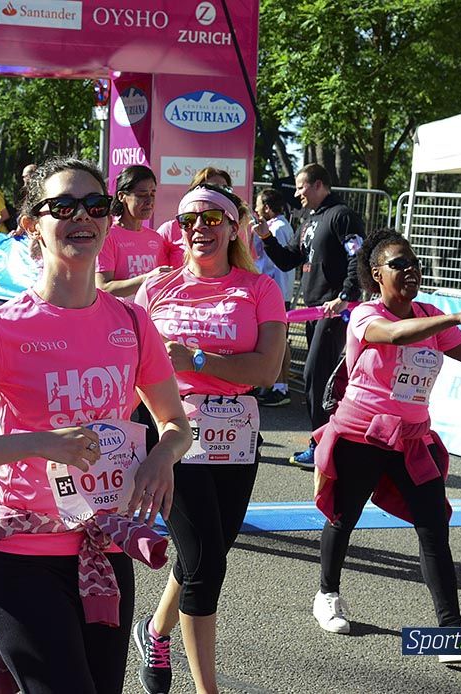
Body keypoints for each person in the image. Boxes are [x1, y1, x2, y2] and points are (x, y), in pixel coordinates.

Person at [0, 157, 191, 694]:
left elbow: (176, 424)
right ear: (31, 224)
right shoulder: (1, 330)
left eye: (94, 205)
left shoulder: (131, 322)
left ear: (108, 219)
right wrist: (37, 443)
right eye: (62, 206)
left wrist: (161, 456)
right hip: (21, 555)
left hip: (105, 548)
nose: (81, 216)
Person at [310, 229, 461, 661]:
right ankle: (327, 594)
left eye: (414, 262)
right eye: (399, 264)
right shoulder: (366, 316)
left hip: (410, 439)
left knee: (433, 527)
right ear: (376, 274)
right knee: (343, 516)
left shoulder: (428, 314)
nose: (411, 269)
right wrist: (458, 317)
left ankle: (450, 632)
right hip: (362, 434)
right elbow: (398, 334)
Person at [132, 186, 287, 694]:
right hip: (174, 433)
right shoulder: (156, 290)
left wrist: (196, 360)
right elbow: (128, 365)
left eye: (212, 218)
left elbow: (266, 368)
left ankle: (155, 632)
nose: (199, 228)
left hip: (239, 436)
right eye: (188, 220)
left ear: (233, 224)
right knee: (204, 564)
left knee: (211, 551)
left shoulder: (259, 289)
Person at [255, 163, 365, 469]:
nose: (298, 193)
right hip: (315, 308)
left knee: (315, 377)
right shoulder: (309, 220)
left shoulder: (342, 215)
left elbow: (357, 256)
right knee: (319, 379)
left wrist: (345, 297)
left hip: (336, 309)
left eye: (302, 186)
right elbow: (288, 260)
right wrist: (266, 238)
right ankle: (330, 442)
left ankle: (324, 445)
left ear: (319, 185)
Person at [95, 165, 172, 297]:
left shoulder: (155, 238)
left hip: (148, 315)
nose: (149, 201)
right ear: (122, 196)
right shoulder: (108, 235)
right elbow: (103, 288)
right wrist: (146, 279)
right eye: (141, 195)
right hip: (118, 315)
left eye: (152, 194)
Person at [251, 188, 296, 407]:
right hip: (278, 290)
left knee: (278, 342)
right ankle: (277, 386)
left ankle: (280, 387)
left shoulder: (276, 228)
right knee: (280, 341)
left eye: (259, 205)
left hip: (275, 291)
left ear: (267, 207)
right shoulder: (282, 225)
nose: (256, 210)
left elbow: (273, 263)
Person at [156, 167, 234, 265]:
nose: (199, 226)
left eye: (225, 189)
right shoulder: (169, 230)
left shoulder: (233, 228)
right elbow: (156, 271)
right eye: (211, 188)